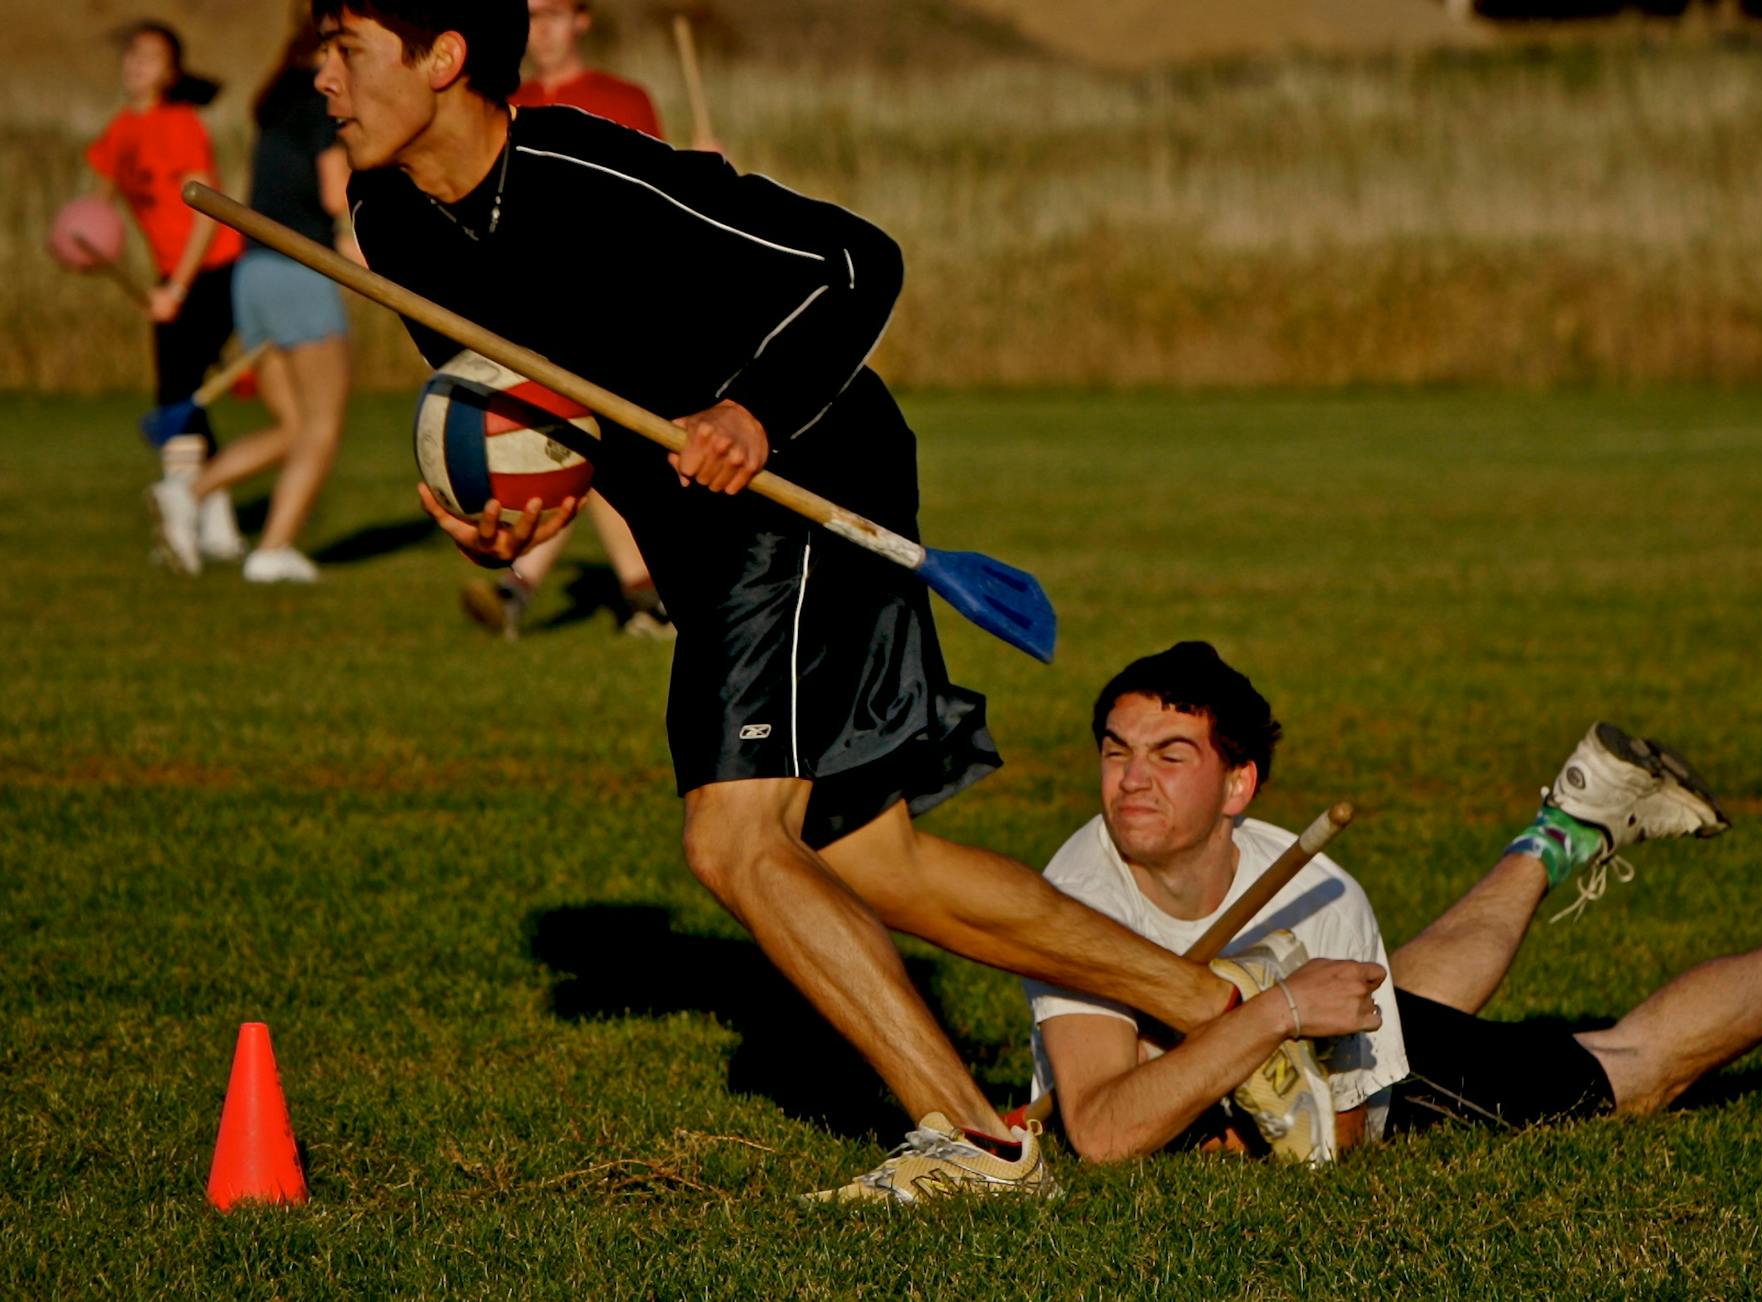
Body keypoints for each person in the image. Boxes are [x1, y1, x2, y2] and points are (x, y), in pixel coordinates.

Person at [309, 0, 1298, 1203]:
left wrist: (752, 412)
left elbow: (855, 260)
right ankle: (1219, 1006)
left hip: (810, 475)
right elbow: (526, 409)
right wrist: (511, 513)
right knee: (874, 857)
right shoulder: (387, 219)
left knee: (733, 840)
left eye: (345, 50)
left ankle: (976, 1143)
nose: (321, 78)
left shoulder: (590, 173)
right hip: (696, 524)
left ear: (444, 56)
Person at [1025, 643, 1762, 1163]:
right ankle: (1570, 825)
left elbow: (1329, 1135)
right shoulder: (1076, 887)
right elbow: (1105, 1117)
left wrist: (1269, 1029)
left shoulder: (1322, 888)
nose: (1132, 783)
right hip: (1301, 1031)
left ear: (1238, 786)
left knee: (1630, 1069)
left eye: (1170, 756)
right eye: (1116, 753)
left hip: (1348, 1073)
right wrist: (1238, 1053)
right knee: (1411, 1003)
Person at [457, 0, 673, 637]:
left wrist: (705, 162)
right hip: (532, 307)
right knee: (582, 442)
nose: (540, 29)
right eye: (529, 15)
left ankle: (533, 589)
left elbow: (662, 196)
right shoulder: (502, 100)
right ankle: (639, 597)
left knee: (595, 444)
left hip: (618, 302)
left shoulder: (625, 99)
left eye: (552, 14)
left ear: (581, 19)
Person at [149, 13, 356, 583]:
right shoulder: (323, 103)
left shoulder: (277, 98)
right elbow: (336, 193)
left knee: (292, 426)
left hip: (253, 273)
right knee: (322, 425)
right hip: (298, 270)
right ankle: (272, 549)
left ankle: (188, 492)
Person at [85, 20, 247, 566]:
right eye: (131, 55)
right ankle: (219, 523)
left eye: (149, 58)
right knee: (186, 395)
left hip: (212, 269)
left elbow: (207, 208)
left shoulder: (178, 123)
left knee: (177, 395)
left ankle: (182, 517)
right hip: (170, 278)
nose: (135, 65)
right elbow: (97, 206)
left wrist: (178, 288)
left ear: (171, 72)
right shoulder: (119, 130)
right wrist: (80, 242)